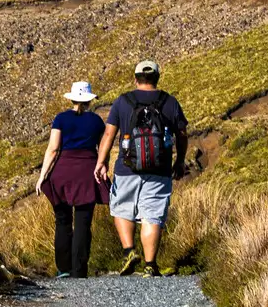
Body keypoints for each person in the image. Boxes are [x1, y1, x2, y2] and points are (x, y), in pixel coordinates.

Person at [96, 59, 189, 276]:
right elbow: (182, 134)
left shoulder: (123, 101)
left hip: (127, 167)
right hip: (160, 168)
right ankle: (150, 265)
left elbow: (109, 134)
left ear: (135, 78)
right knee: (152, 215)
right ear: (157, 77)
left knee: (121, 209)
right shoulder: (170, 102)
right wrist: (180, 160)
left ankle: (129, 251)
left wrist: (102, 162)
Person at [35, 80, 107, 278]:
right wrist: (103, 167)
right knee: (83, 221)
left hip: (62, 172)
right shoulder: (97, 121)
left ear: (73, 98)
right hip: (87, 171)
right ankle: (79, 269)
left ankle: (63, 268)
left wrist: (42, 177)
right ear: (90, 100)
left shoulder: (61, 119)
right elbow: (103, 149)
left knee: (62, 220)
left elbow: (53, 149)